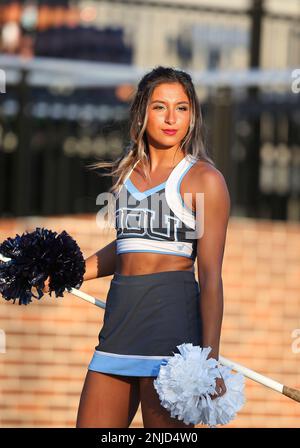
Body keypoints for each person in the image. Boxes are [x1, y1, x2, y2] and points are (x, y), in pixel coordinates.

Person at [55, 66, 230, 428]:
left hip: (171, 337)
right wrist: (66, 273)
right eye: (159, 107)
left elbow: (211, 276)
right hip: (118, 327)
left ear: (193, 115)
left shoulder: (205, 180)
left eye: (182, 108)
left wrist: (209, 361)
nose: (171, 118)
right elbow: (126, 248)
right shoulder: (127, 175)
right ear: (141, 113)